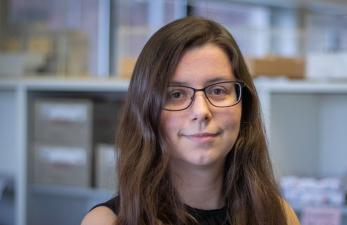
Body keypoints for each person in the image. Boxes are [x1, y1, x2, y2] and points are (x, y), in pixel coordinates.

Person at [82, 16, 300, 225]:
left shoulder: (278, 216)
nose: (201, 111)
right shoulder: (107, 222)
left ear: (244, 104)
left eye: (217, 90)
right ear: (146, 109)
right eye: (176, 94)